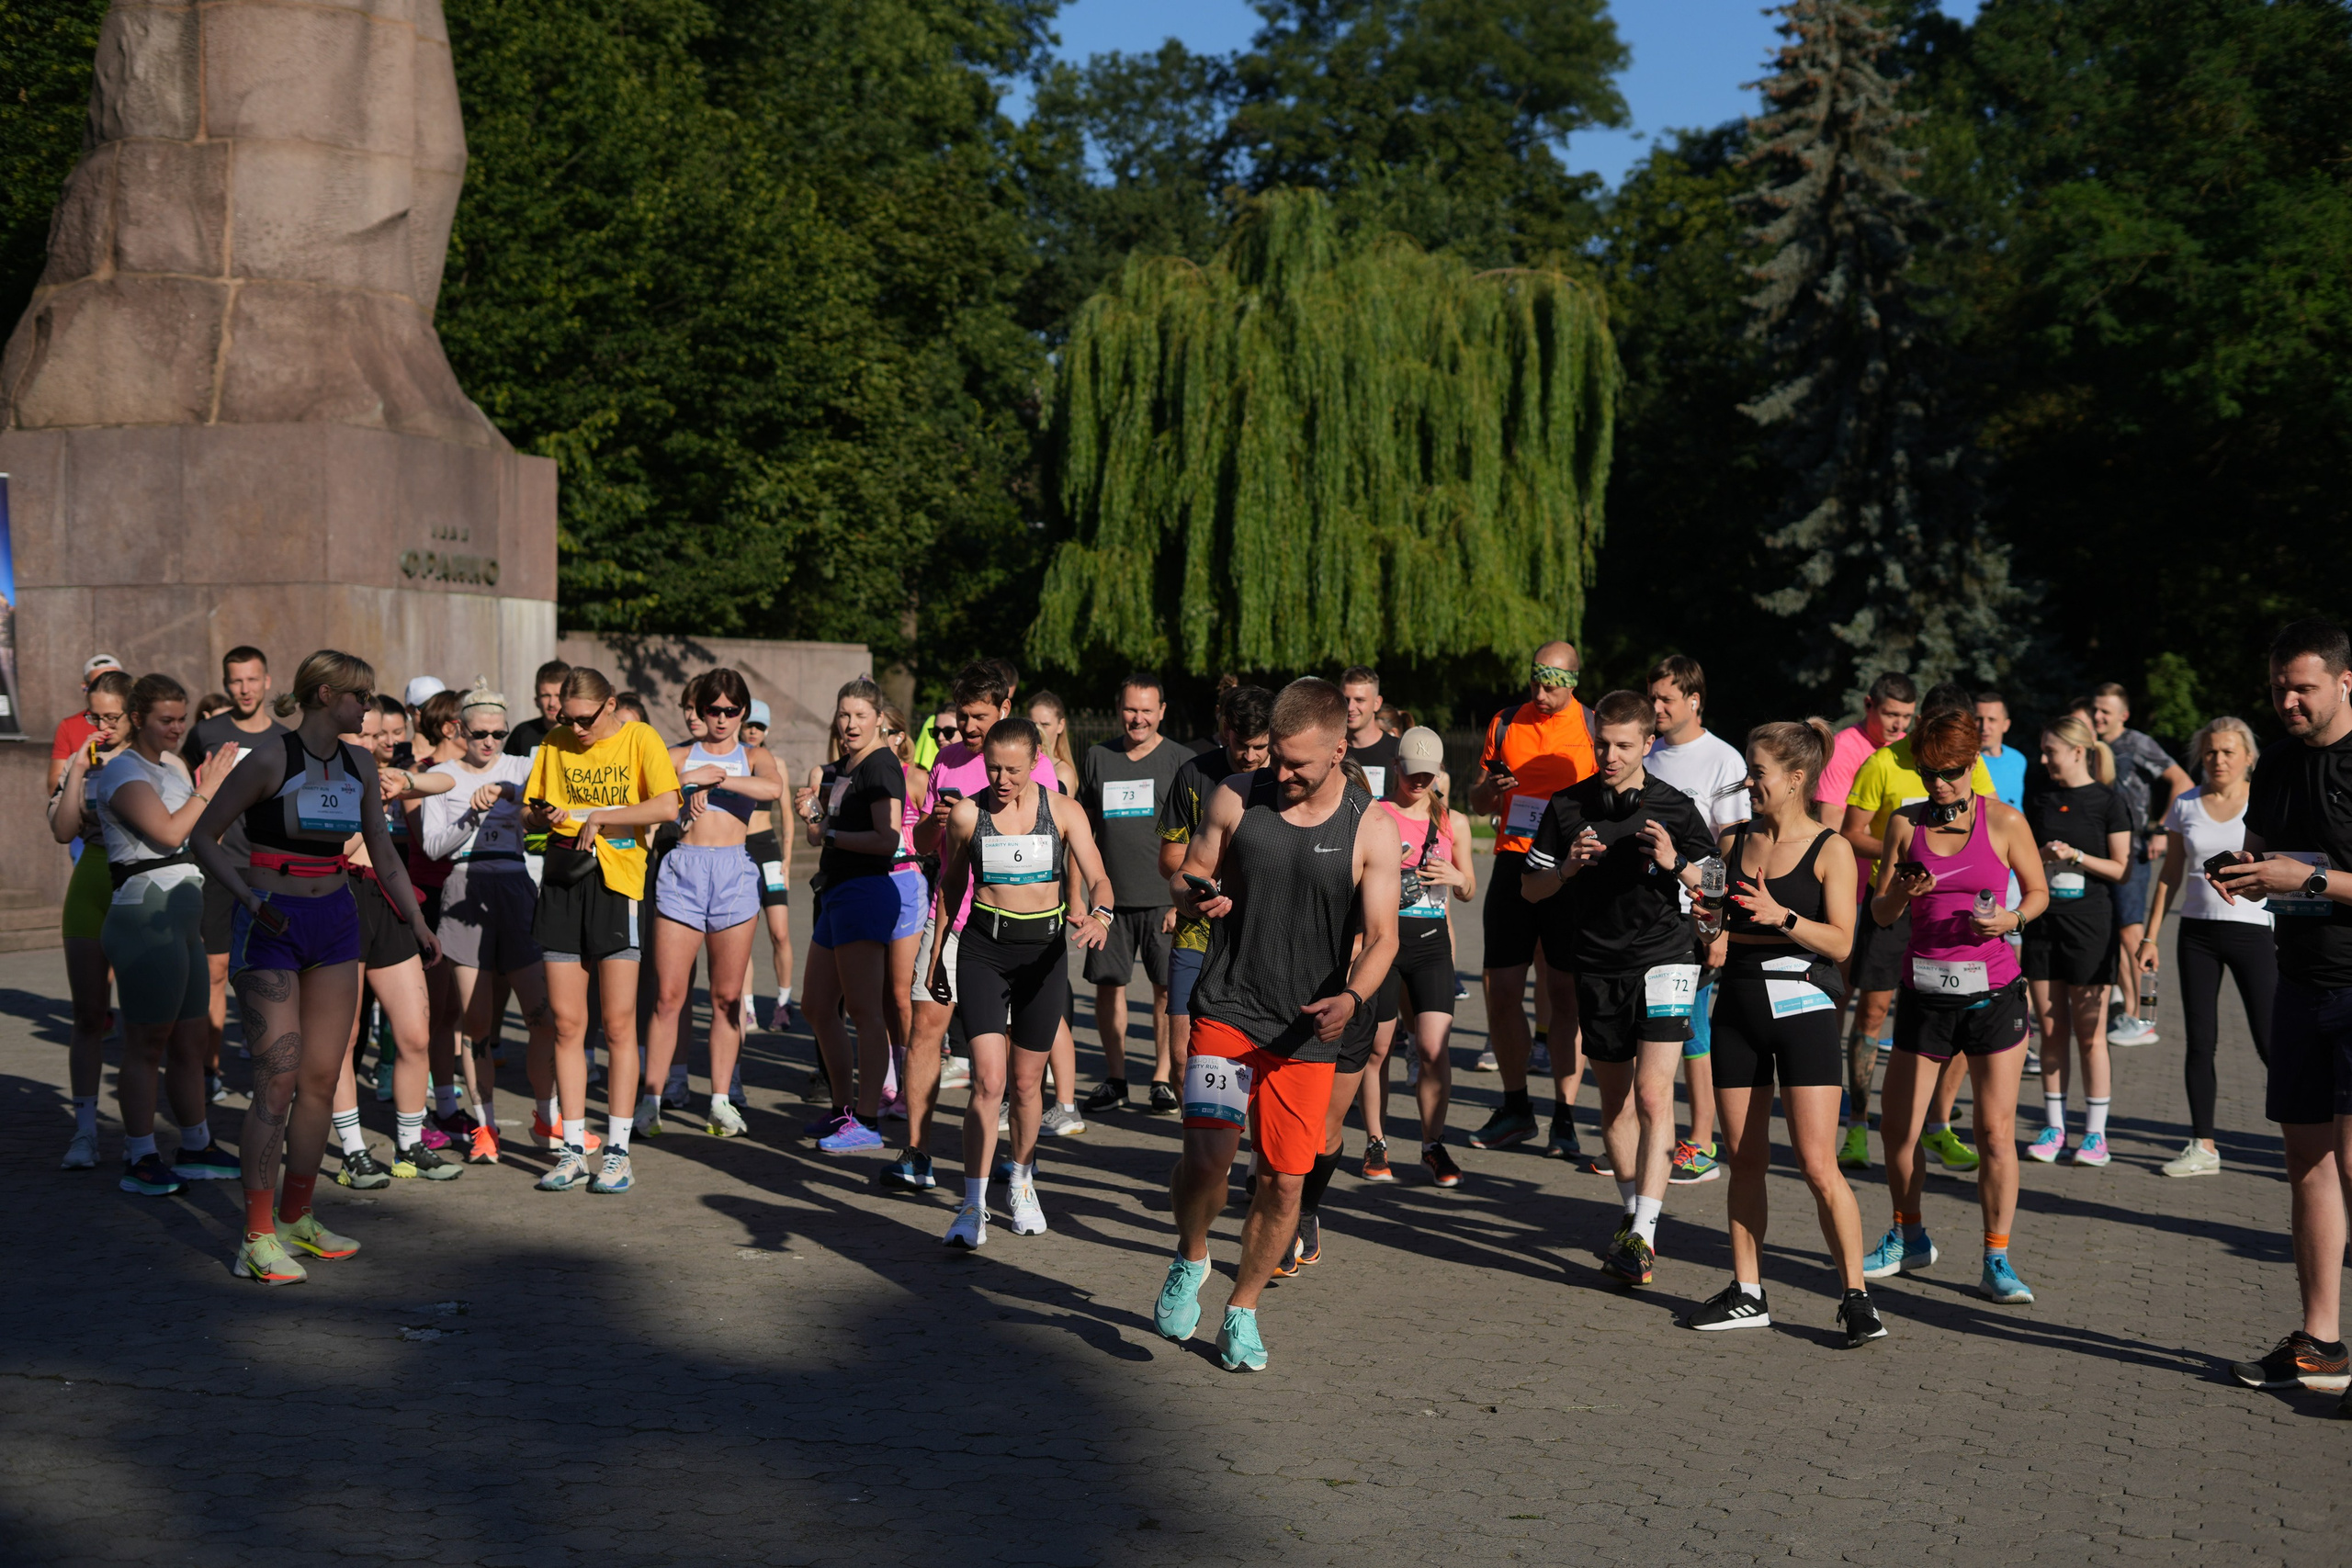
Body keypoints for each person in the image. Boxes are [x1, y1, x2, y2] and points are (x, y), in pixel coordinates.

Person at [1155, 678, 1399, 1372]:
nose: (1280, 772)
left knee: (1285, 1182)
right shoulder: (1236, 795)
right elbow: (1185, 875)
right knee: (1207, 1160)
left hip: (1305, 1033)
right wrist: (1196, 898)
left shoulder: (1371, 826)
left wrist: (1352, 997)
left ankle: (1243, 1308)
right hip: (1228, 1009)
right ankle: (1191, 1256)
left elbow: (1383, 937)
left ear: (1339, 749)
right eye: (1276, 759)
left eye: (1297, 763)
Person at [192, 649, 439, 1285]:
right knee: (278, 1078)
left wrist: (416, 920)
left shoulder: (360, 763)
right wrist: (249, 899)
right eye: (361, 696)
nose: (369, 707)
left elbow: (382, 848)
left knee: (323, 1079)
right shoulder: (269, 758)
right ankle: (256, 1235)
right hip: (272, 925)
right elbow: (202, 837)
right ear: (327, 695)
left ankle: (297, 1216)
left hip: (335, 922)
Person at [1683, 718, 1883, 1345]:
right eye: (1748, 769)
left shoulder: (1831, 848)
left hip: (1803, 1008)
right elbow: (1714, 927)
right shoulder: (1733, 839)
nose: (1749, 782)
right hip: (1738, 1007)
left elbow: (1842, 943)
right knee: (1745, 1159)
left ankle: (1857, 1298)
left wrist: (1783, 916)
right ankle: (1748, 1293)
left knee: (1819, 1165)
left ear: (1797, 778)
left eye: (1759, 772)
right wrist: (1706, 921)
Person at [1519, 690, 1721, 1287]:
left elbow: (1716, 882)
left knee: (1654, 1096)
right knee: (1616, 1102)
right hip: (1597, 965)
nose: (1611, 756)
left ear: (1647, 744)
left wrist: (1676, 861)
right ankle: (1633, 1215)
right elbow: (1530, 889)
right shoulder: (1567, 806)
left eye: (1624, 745)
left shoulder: (1675, 806)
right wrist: (1567, 869)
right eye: (1602, 744)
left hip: (1665, 958)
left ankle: (1646, 1232)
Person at [2210, 621, 2352, 1406]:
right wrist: (2237, 869)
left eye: (2302, 687)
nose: (2288, 700)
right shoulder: (2280, 761)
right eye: (2277, 688)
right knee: (2309, 1164)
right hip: (2298, 982)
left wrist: (2309, 880)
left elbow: (2304, 874)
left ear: (2344, 681)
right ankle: (2321, 1343)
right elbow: (2260, 846)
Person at [1863, 710, 2049, 1304]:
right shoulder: (1904, 823)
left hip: (1994, 996)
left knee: (1994, 1133)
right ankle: (1908, 1234)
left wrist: (2011, 919)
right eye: (1927, 772)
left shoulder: (2005, 821)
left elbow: (2039, 891)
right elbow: (1880, 913)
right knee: (1899, 1129)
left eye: (1948, 772)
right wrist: (1901, 891)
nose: (1938, 783)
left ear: (1971, 765)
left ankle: (1997, 1258)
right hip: (1925, 994)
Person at [928, 717, 1116, 1247]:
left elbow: (1100, 877)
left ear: (1036, 760)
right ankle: (971, 1205)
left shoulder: (1064, 811)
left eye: (1013, 769)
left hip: (1043, 956)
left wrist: (1101, 915)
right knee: (988, 1083)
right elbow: (950, 886)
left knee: (1029, 1084)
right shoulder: (968, 814)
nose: (1002, 779)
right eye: (993, 769)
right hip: (983, 952)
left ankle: (1023, 1182)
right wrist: (937, 956)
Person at [877, 664, 1068, 1190]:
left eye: (978, 716)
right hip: (951, 916)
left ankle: (1017, 1158)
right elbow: (923, 847)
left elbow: (1052, 841)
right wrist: (936, 824)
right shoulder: (944, 759)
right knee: (925, 1027)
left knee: (1011, 1052)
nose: (966, 726)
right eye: (961, 715)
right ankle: (917, 1152)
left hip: (1012, 929)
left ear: (1004, 709)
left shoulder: (1034, 767)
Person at [521, 666, 683, 1192]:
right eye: (567, 719)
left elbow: (667, 804)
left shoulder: (640, 738)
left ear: (610, 704)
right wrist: (541, 816)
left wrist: (602, 814)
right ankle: (572, 1149)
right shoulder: (555, 742)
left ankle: (618, 1152)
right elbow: (528, 813)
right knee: (567, 1024)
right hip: (564, 880)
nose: (576, 729)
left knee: (617, 1026)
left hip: (618, 885)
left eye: (584, 719)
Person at [86, 675, 245, 1194]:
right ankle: (140, 1155)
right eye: (166, 720)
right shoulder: (122, 770)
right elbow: (170, 832)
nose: (178, 729)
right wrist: (208, 787)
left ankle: (196, 1145)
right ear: (138, 719)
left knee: (191, 1039)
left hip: (182, 914)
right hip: (142, 916)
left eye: (181, 719)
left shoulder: (173, 767)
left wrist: (222, 793)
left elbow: (201, 834)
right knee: (147, 1042)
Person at [1836, 682, 1996, 1175]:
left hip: (1950, 912)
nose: (1940, 775)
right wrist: (1906, 853)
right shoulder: (1883, 762)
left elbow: (1987, 828)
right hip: (1894, 900)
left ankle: (1938, 1124)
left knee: (1967, 1009)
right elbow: (1850, 833)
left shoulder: (1970, 762)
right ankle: (1856, 1126)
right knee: (1873, 1012)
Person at [638, 669, 785, 1162]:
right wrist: (687, 781)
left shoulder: (753, 755)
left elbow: (772, 788)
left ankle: (720, 1100)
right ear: (699, 710)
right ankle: (652, 1098)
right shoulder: (679, 755)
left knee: (726, 997)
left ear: (743, 712)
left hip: (734, 872)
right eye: (712, 709)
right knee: (668, 996)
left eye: (731, 710)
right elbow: (647, 795)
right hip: (683, 869)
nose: (721, 719)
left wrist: (716, 777)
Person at [1464, 642, 1598, 1156]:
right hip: (1513, 863)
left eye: (1551, 685)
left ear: (1572, 683)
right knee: (1500, 991)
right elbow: (1478, 801)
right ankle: (1516, 1106)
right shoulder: (1505, 723)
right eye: (1535, 682)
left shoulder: (1591, 726)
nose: (1541, 694)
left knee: (1565, 994)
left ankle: (1564, 1115)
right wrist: (1491, 791)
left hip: (1570, 871)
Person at [419, 682, 548, 1165]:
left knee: (542, 1015)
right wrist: (471, 817)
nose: (490, 742)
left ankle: (547, 1115)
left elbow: (550, 803)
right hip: (464, 884)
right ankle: (485, 1126)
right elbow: (433, 847)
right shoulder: (442, 776)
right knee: (476, 1024)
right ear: (459, 730)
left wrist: (513, 794)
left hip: (515, 883)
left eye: (499, 733)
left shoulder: (521, 766)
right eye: (480, 734)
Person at [2140, 717, 2271, 1178]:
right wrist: (2150, 936)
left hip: (2255, 932)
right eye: (2211, 751)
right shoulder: (2186, 804)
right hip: (2196, 935)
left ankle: (2307, 1139)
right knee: (2200, 1042)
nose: (2218, 760)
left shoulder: (2264, 801)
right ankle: (2203, 1146)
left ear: (2248, 757)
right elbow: (2170, 875)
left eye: (2228, 751)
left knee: (2271, 1042)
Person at [1643, 655, 1752, 1187]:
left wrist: (1714, 917)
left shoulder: (1723, 760)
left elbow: (1727, 850)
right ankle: (1649, 1140)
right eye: (1652, 697)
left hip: (1694, 914)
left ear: (1694, 700)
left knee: (1691, 1028)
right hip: (1644, 915)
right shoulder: (1648, 753)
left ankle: (1702, 1142)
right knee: (1653, 1027)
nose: (1656, 707)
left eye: (1666, 698)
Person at [1154, 684, 1276, 1117]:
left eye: (1261, 746)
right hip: (1198, 932)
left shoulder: (1285, 779)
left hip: (1262, 937)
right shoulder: (1195, 773)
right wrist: (1208, 879)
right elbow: (1169, 858)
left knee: (1257, 1056)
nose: (1251, 756)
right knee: (1183, 1056)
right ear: (1225, 730)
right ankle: (1201, 1148)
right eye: (1242, 745)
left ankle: (1246, 1147)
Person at [1362, 727, 1475, 1185]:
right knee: (1378, 1047)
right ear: (1395, 767)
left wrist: (1455, 877)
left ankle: (1433, 1144)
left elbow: (1468, 889)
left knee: (1432, 1048)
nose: (1419, 782)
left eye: (1428, 774)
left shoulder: (1454, 822)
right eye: (1412, 773)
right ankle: (1376, 1143)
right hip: (1383, 942)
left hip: (1431, 944)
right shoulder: (1374, 814)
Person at [796, 676, 904, 1153]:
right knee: (817, 1006)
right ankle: (842, 1109)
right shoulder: (845, 767)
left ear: (879, 719)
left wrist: (831, 833)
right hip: (836, 891)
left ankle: (867, 1121)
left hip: (865, 891)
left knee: (864, 1010)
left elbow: (887, 839)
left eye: (861, 715)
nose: (851, 723)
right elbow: (819, 833)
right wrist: (813, 814)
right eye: (844, 714)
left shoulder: (881, 765)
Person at [2021, 714, 2134, 1167]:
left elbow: (2122, 869)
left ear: (2078, 751)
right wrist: (2043, 855)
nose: (2043, 759)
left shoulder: (2109, 801)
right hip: (2044, 924)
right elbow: (2022, 858)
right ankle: (2054, 1128)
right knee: (2050, 1030)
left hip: (2091, 926)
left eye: (2050, 751)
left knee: (2090, 1034)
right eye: (2043, 750)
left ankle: (2095, 1136)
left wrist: (2077, 856)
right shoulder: (2040, 798)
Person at [1078, 673, 1186, 1113]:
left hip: (1164, 901)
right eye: (1130, 709)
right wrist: (1081, 897)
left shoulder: (1181, 760)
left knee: (1166, 991)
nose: (1137, 718)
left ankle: (1162, 1079)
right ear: (1119, 709)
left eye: (1146, 710)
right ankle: (1116, 1078)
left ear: (1162, 712)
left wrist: (1182, 901)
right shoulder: (1098, 757)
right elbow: (1081, 830)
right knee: (1108, 987)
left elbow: (1197, 837)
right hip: (1110, 904)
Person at [182, 646, 288, 1090]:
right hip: (217, 866)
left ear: (267, 681)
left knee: (269, 974)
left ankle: (273, 1070)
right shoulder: (207, 732)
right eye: (236, 680)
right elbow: (182, 781)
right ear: (226, 684)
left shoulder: (284, 738)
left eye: (252, 679)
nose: (244, 688)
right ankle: (209, 1071)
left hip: (269, 868)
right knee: (215, 971)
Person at [50, 669, 132, 1168]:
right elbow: (63, 831)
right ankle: (84, 1133)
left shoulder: (155, 760)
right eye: (94, 717)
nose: (101, 727)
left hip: (138, 884)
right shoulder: (86, 758)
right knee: (88, 1014)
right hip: (91, 881)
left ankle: (141, 1135)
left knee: (144, 1019)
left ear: (133, 714)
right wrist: (78, 770)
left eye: (111, 717)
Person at [2089, 682, 2195, 1047]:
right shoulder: (2092, 744)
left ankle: (2144, 1019)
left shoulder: (2136, 743)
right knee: (2115, 934)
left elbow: (2182, 780)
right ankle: (2131, 1011)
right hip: (2100, 854)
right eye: (2095, 709)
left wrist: (2163, 829)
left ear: (2124, 715)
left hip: (2132, 854)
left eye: (2105, 711)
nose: (2098, 716)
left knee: (2132, 934)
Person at [738, 699, 797, 1032]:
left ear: (767, 730)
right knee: (742, 933)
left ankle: (784, 1003)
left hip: (769, 851)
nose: (753, 732)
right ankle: (747, 1008)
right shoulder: (733, 761)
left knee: (780, 932)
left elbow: (787, 815)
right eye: (749, 725)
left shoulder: (777, 764)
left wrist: (787, 859)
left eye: (759, 727)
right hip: (738, 850)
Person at [1816, 672, 1916, 827]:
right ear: (1868, 705)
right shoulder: (1842, 749)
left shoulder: (1908, 744)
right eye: (1891, 714)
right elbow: (1831, 820)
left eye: (1907, 716)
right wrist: (1890, 837)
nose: (1899, 725)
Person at [49, 652, 124, 793]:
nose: (102, 726)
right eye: (97, 684)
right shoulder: (69, 725)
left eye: (114, 683)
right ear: (85, 688)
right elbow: (55, 784)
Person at [1340, 666, 1404, 797]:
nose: (1350, 707)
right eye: (1346, 700)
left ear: (1377, 703)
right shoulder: (1331, 750)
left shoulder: (1398, 750)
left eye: (1359, 700)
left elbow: (1430, 798)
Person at [503, 660, 571, 758]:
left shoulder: (581, 734)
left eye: (558, 695)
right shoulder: (522, 733)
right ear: (537, 700)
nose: (552, 703)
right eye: (546, 696)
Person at [1975, 692, 2028, 810]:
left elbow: (2017, 804)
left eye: (1992, 720)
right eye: (1978, 719)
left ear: (2006, 725)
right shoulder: (1966, 761)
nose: (1984, 727)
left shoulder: (2018, 760)